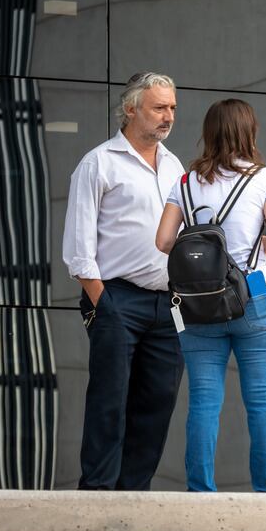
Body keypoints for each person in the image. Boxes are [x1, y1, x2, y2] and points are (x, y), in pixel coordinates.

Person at [155, 98, 266, 492]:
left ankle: (201, 491)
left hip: (199, 307)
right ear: (249, 131)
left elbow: (164, 241)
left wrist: (204, 254)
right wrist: (255, 247)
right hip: (254, 300)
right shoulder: (263, 178)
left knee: (203, 402)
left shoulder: (184, 182)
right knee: (262, 400)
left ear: (209, 132)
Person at [62, 71, 185, 490]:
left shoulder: (174, 166)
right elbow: (79, 248)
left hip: (168, 306)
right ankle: (96, 497)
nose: (167, 116)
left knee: (157, 404)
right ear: (131, 108)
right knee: (109, 403)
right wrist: (104, 304)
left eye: (171, 108)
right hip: (116, 299)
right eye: (158, 107)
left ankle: (133, 499)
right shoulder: (99, 163)